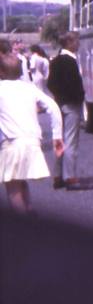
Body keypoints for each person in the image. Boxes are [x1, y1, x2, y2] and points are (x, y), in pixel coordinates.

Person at [0, 53, 63, 213]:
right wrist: (57, 136)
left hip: (12, 142)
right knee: (21, 181)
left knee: (12, 185)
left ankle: (24, 224)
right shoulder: (29, 88)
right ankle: (28, 211)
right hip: (33, 141)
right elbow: (54, 108)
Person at [47, 31, 93, 191]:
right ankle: (70, 178)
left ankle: (57, 175)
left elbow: (50, 83)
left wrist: (59, 96)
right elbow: (74, 85)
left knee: (60, 140)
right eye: (77, 41)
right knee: (71, 142)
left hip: (59, 103)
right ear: (70, 43)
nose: (79, 44)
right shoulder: (71, 62)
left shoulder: (56, 60)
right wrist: (78, 97)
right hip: (71, 105)